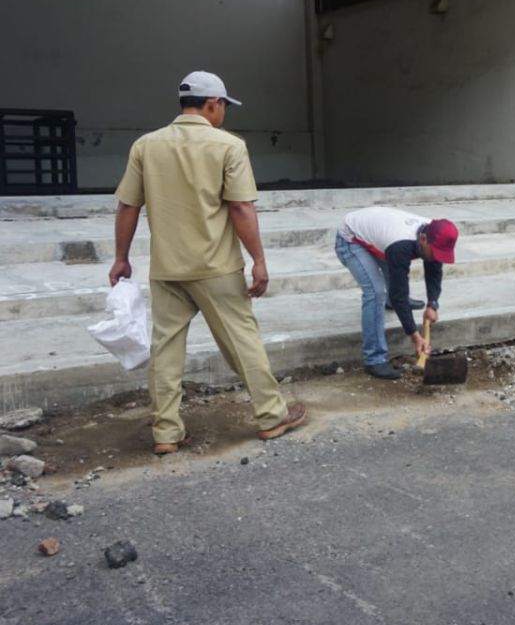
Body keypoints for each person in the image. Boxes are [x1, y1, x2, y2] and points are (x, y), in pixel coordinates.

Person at [109, 71, 306, 455]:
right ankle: (270, 416)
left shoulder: (145, 146)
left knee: (165, 349)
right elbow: (240, 207)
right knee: (243, 341)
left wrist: (121, 258)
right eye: (223, 107)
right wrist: (259, 260)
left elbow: (127, 205)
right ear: (213, 104)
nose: (223, 114)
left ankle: (166, 431)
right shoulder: (228, 146)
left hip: (166, 269)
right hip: (216, 267)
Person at [335, 207, 459, 379]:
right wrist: (415, 336)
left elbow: (434, 270)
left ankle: (392, 304)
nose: (437, 257)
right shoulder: (401, 245)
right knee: (376, 292)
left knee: (397, 279)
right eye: (436, 252)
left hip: (380, 234)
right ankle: (374, 359)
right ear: (423, 239)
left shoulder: (433, 233)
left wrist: (433, 304)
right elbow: (399, 293)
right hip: (350, 238)